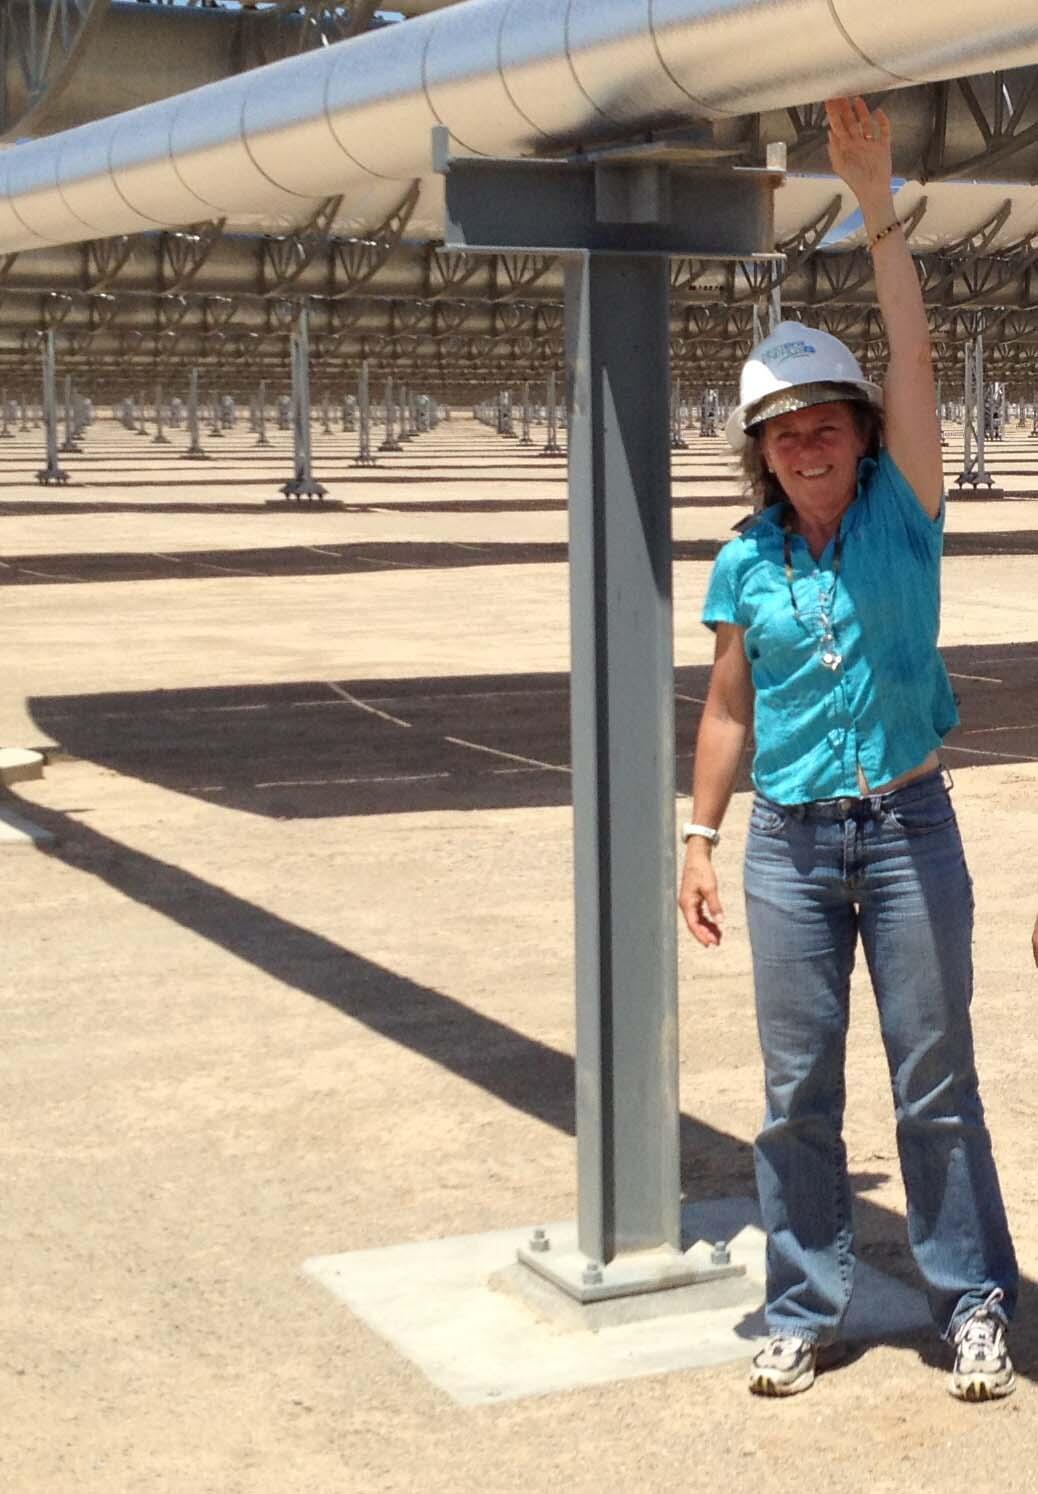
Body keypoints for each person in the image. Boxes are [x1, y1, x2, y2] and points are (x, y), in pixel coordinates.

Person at [678, 97, 1018, 1401]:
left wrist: (876, 205)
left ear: (864, 434)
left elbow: (915, 358)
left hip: (907, 825)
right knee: (794, 1092)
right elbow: (728, 708)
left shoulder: (903, 514)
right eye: (783, 430)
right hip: (788, 845)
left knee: (934, 1082)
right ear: (760, 454)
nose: (806, 443)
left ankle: (970, 1301)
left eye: (827, 422)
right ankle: (803, 1305)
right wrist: (700, 837)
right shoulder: (744, 561)